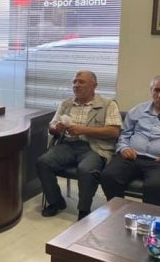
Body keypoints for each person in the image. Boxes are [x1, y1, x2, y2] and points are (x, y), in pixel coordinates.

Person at [36, 70, 122, 220]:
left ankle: (84, 210)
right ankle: (56, 202)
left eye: (81, 82)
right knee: (43, 162)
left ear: (94, 85)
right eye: (74, 82)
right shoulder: (66, 104)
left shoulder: (108, 104)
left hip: (94, 148)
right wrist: (57, 128)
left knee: (86, 170)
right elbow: (51, 126)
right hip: (67, 145)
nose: (76, 85)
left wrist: (83, 130)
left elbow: (114, 131)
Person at [101, 74, 160, 206]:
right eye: (157, 90)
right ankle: (116, 210)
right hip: (132, 158)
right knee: (109, 175)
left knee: (155, 185)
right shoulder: (138, 110)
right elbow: (124, 134)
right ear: (151, 91)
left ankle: (148, 216)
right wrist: (124, 148)